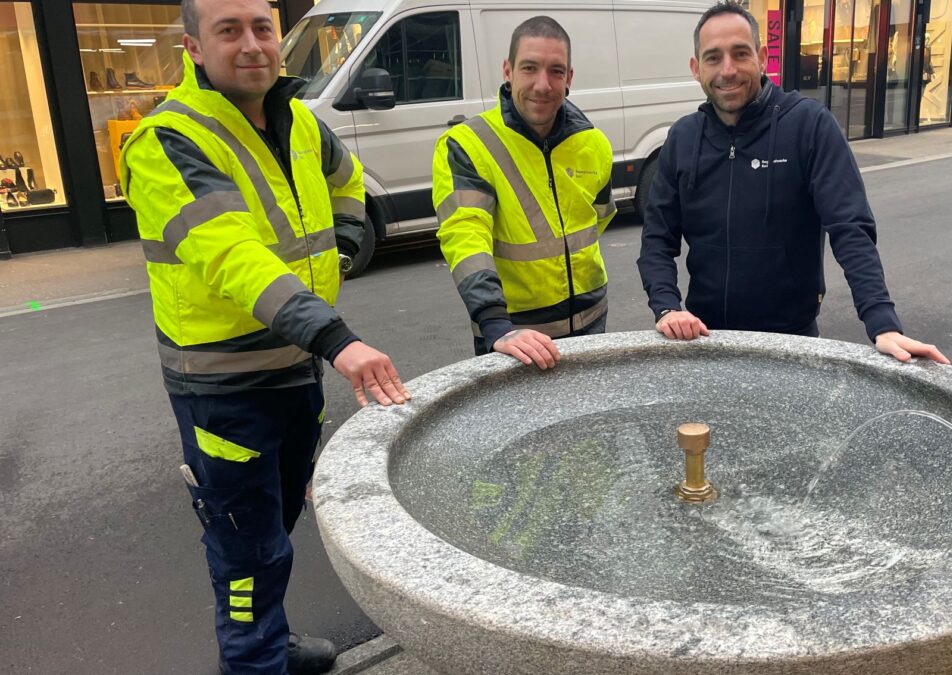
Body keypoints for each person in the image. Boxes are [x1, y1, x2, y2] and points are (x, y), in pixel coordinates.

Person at [118, 0, 411, 672]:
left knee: (271, 529)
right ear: (193, 47)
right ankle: (254, 661)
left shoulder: (300, 121)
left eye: (261, 28)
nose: (251, 45)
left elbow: (348, 184)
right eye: (228, 31)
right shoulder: (169, 140)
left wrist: (339, 245)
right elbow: (231, 255)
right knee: (246, 553)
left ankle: (271, 644)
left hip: (293, 369)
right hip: (225, 388)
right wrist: (335, 335)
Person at [637, 1, 948, 365]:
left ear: (762, 56)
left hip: (792, 343)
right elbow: (657, 237)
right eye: (713, 57)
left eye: (740, 54)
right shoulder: (683, 137)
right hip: (705, 341)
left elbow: (850, 228)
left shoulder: (810, 126)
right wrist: (666, 308)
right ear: (696, 68)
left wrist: (883, 323)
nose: (727, 70)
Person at [432, 16, 616, 370]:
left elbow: (598, 217)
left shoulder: (593, 143)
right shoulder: (469, 144)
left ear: (570, 78)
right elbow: (465, 238)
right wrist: (494, 323)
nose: (542, 85)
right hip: (514, 336)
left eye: (556, 71)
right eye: (529, 68)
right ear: (508, 69)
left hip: (592, 322)